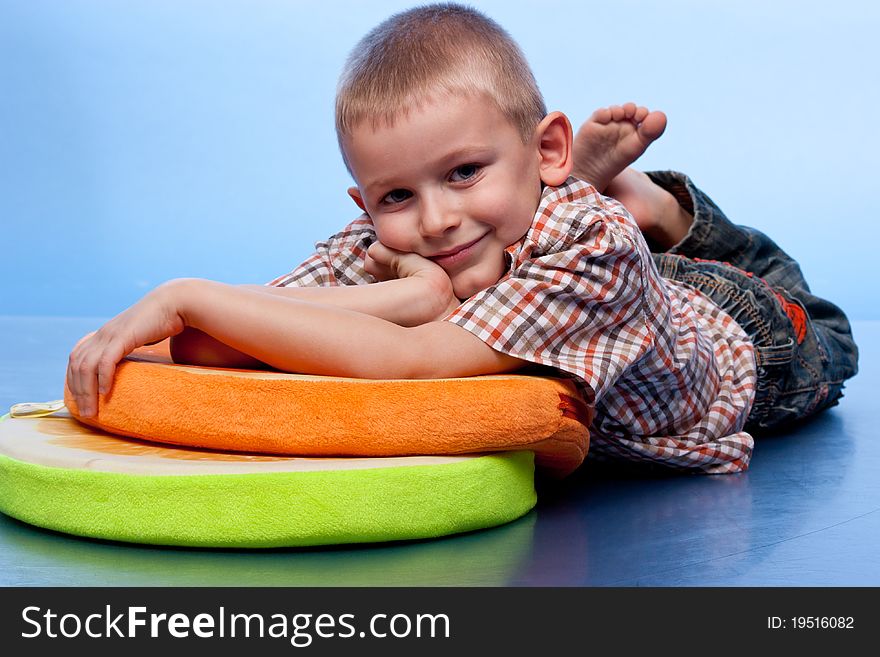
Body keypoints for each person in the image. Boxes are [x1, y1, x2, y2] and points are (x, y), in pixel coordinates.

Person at [66, 3, 858, 474]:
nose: (435, 219)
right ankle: (552, 185)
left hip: (743, 338)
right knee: (454, 242)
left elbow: (412, 360)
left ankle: (648, 203)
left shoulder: (594, 249)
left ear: (543, 143)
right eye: (397, 194)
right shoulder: (382, 238)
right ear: (364, 199)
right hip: (548, 271)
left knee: (823, 322)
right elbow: (230, 343)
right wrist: (415, 290)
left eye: (464, 171)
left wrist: (181, 294)